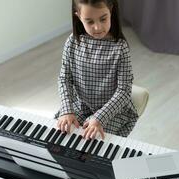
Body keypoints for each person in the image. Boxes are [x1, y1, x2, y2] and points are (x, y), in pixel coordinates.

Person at [56, 0, 138, 140]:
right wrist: (66, 110)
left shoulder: (120, 48)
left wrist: (99, 118)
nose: (97, 27)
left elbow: (124, 91)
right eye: (89, 21)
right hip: (80, 107)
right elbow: (65, 78)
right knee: (59, 137)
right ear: (78, 17)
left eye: (103, 19)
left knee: (93, 144)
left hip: (112, 111)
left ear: (111, 11)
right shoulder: (72, 42)